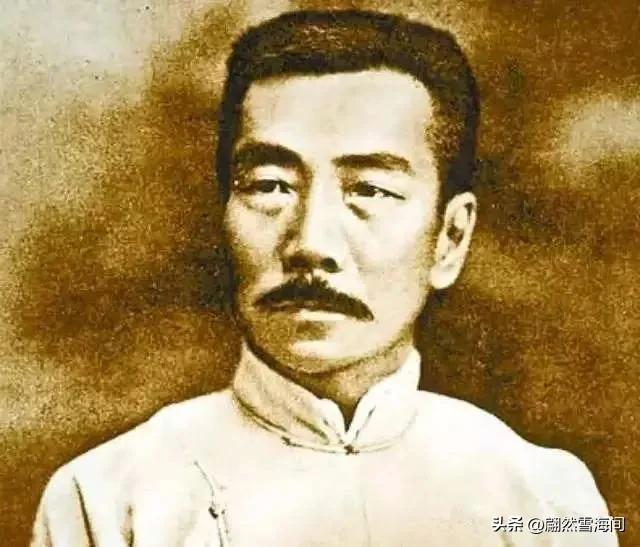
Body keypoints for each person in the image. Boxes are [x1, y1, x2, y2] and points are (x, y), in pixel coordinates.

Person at [31, 9, 617, 547]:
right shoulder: (107, 501)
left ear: (450, 238)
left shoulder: (545, 499)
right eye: (270, 186)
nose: (311, 243)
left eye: (371, 190)